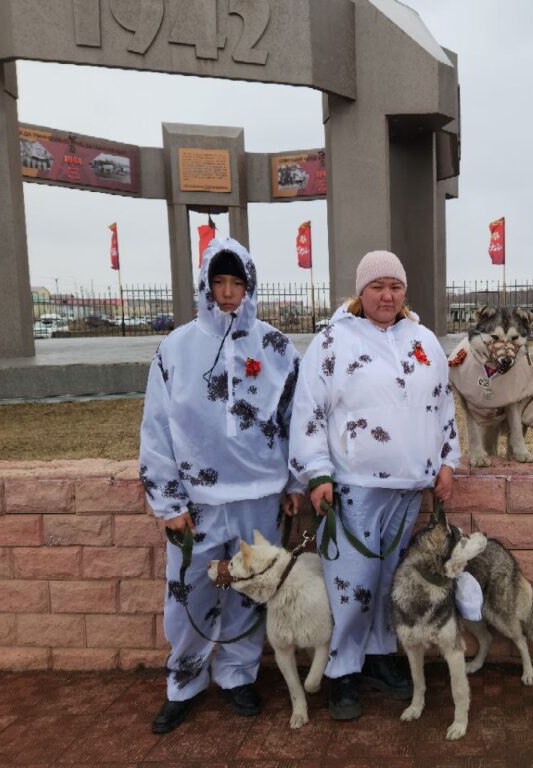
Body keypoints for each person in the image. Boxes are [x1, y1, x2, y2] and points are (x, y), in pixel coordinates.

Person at [140, 238, 303, 734]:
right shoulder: (175, 349)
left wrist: (295, 481)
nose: (228, 293)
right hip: (199, 502)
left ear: (249, 286)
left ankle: (237, 676)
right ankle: (184, 683)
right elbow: (157, 427)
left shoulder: (276, 348)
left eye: (237, 283)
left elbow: (297, 420)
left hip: (260, 495)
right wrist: (167, 501)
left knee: (249, 591)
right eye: (219, 283)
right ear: (205, 286)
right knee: (189, 593)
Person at [289, 250, 461, 720]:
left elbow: (443, 405)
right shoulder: (333, 341)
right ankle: (343, 670)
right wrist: (317, 473)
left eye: (395, 287)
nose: (387, 296)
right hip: (354, 487)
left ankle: (381, 654)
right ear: (361, 291)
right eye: (377, 287)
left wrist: (447, 461)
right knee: (352, 581)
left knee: (390, 579)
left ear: (405, 291)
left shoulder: (424, 340)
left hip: (409, 486)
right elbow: (309, 410)